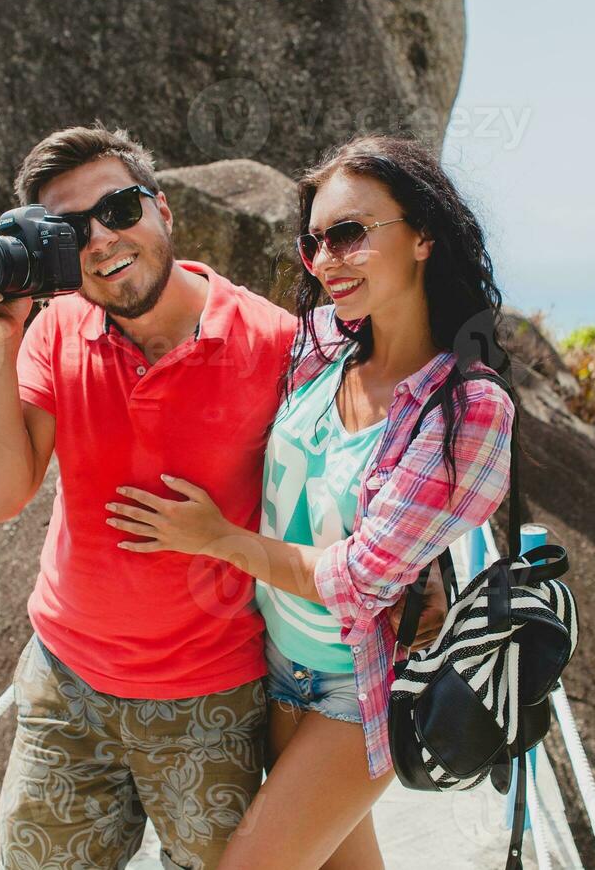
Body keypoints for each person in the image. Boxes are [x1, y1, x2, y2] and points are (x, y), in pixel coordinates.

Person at [0, 125, 446, 870]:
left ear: (164, 211)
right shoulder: (54, 330)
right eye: (71, 228)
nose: (102, 239)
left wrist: (421, 560)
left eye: (119, 208)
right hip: (66, 686)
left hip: (210, 700)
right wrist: (0, 343)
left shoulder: (278, 345)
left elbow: (363, 443)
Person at [107, 134, 516, 870]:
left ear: (424, 235)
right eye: (315, 242)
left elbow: (361, 580)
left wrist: (217, 539)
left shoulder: (467, 410)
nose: (328, 260)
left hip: (356, 690)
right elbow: (215, 328)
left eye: (351, 234)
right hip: (272, 659)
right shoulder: (321, 346)